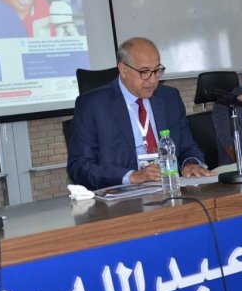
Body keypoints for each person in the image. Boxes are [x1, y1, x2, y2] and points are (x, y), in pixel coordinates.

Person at [67, 37, 214, 190]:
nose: (152, 80)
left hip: (169, 189)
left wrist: (190, 163)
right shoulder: (93, 105)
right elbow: (79, 166)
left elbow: (187, 147)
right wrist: (131, 176)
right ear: (123, 70)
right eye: (144, 72)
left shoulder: (169, 98)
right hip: (121, 198)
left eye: (157, 71)